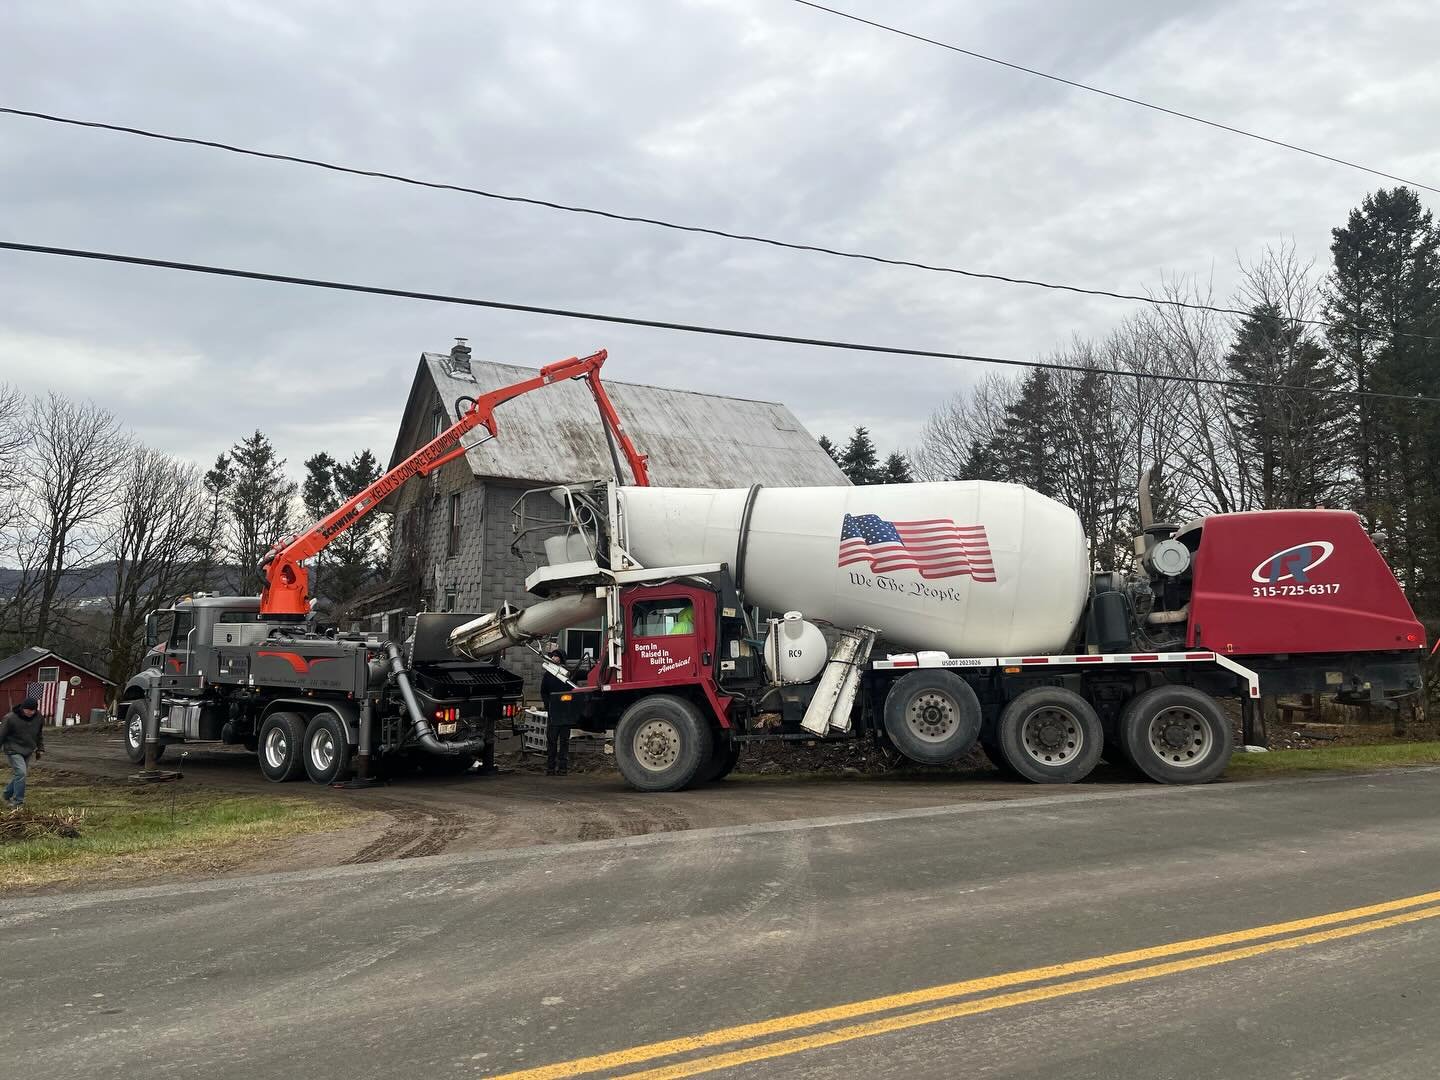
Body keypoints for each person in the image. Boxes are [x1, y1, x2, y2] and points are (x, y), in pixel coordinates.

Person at [2, 697, 45, 810]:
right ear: (22, 708)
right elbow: (1, 735)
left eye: (32, 710)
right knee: (21, 773)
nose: (29, 712)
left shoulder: (39, 718)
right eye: (27, 710)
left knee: (20, 774)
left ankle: (6, 794)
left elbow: (39, 734)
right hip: (13, 748)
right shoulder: (10, 718)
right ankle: (18, 802)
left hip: (28, 749)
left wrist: (40, 748)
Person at [541, 649, 572, 776]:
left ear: (561, 658)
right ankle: (550, 767)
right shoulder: (548, 674)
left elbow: (572, 690)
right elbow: (543, 691)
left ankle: (563, 768)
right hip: (553, 712)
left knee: (564, 741)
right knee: (552, 741)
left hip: (565, 713)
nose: (554, 658)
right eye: (553, 656)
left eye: (556, 656)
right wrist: (548, 705)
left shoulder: (566, 674)